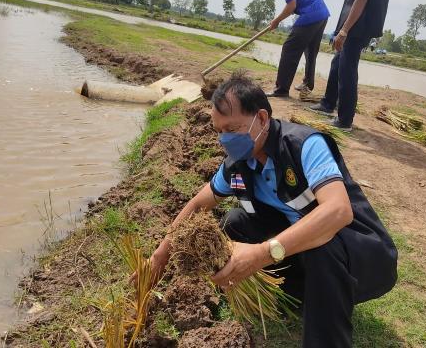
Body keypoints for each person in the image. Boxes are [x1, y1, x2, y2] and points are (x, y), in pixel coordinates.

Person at [141, 74, 398, 347]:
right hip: (303, 258)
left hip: (362, 258)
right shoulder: (237, 164)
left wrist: (260, 255)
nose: (224, 140)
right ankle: (294, 297)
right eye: (219, 132)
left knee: (322, 242)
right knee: (235, 221)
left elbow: (338, 212)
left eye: (232, 129)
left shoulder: (304, 145)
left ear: (261, 119)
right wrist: (159, 258)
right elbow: (197, 206)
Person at [309, 0, 391, 131]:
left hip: (358, 26)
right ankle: (328, 104)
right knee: (337, 63)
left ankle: (344, 120)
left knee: (347, 70)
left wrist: (344, 30)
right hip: (358, 23)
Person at [265, 0, 329, 98]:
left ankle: (281, 89)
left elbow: (291, 6)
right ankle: (307, 84)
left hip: (310, 15)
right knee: (310, 50)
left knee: (289, 48)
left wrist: (276, 21)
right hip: (322, 14)